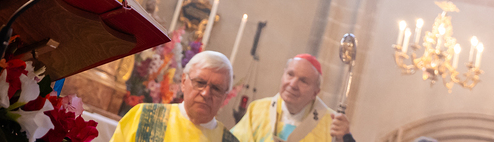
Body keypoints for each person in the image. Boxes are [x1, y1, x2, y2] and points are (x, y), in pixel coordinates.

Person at [111, 51, 239, 142]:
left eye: (216, 88)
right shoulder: (144, 117)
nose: (206, 93)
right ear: (183, 82)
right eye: (200, 83)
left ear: (225, 97)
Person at [231, 55, 355, 142]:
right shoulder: (257, 109)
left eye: (303, 81)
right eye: (290, 75)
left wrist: (345, 139)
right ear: (283, 75)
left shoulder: (332, 123)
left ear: (315, 92)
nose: (293, 84)